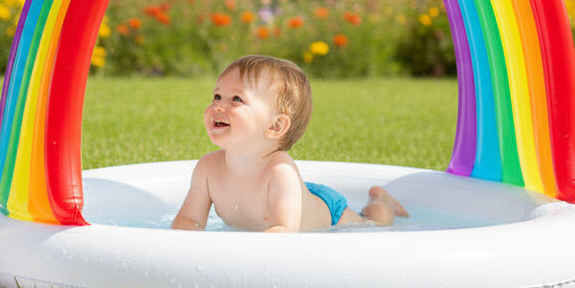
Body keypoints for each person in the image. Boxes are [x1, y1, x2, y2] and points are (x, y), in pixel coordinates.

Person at [171, 54, 409, 232]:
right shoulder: (207, 168)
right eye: (217, 96)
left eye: (237, 99)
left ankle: (380, 199)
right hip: (295, 193)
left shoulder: (279, 170)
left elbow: (282, 232)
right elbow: (189, 220)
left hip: (328, 212)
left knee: (373, 224)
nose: (218, 106)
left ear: (275, 126)